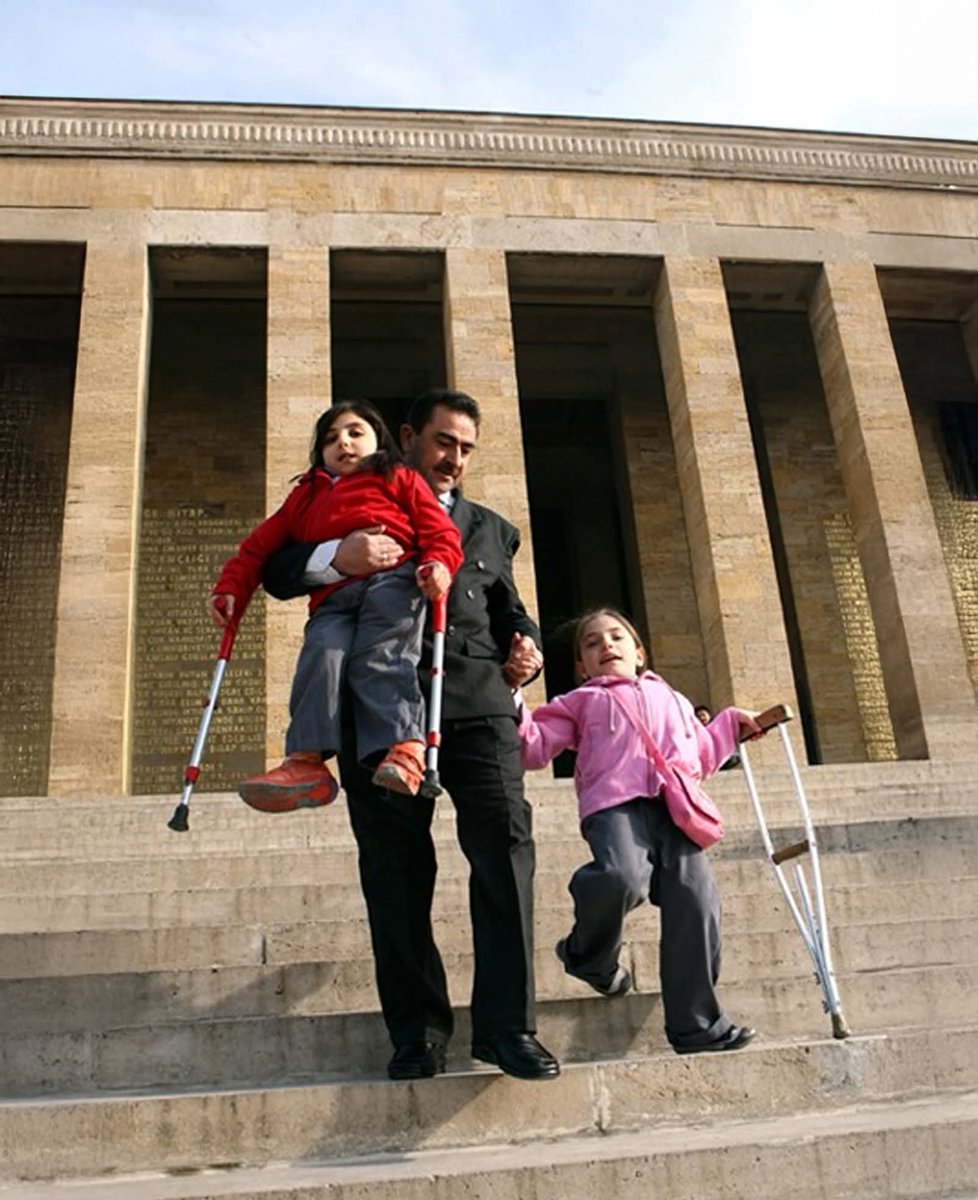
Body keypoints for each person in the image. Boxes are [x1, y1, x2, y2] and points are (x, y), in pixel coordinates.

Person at [262, 387, 559, 1082]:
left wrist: (529, 644)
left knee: (504, 854)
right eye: (443, 443)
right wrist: (340, 557)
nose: (454, 459)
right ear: (408, 438)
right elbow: (277, 569)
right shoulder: (351, 498)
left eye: (465, 449)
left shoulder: (488, 526)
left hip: (475, 704)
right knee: (393, 871)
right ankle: (417, 1029)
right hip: (378, 713)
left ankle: (508, 1028)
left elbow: (507, 607)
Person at [516, 607, 762, 1054]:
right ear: (581, 666)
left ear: (639, 652)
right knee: (620, 877)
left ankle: (697, 1027)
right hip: (614, 808)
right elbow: (533, 748)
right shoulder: (581, 700)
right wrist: (513, 698)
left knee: (697, 902)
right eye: (592, 644)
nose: (606, 645)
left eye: (616, 637)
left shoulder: (673, 697)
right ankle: (588, 955)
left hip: (676, 810)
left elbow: (701, 754)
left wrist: (730, 723)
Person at [209, 400, 463, 808]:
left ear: (378, 440)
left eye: (354, 432)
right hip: (332, 597)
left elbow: (441, 532)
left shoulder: (398, 476)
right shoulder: (304, 496)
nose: (342, 442)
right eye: (331, 438)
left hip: (393, 582)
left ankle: (405, 746)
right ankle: (306, 760)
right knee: (320, 656)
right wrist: (230, 589)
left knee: (383, 656)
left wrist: (438, 564)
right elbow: (257, 549)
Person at [695, 703, 741, 771]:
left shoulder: (719, 725)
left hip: (730, 757)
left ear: (709, 714)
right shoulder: (699, 732)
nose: (702, 718)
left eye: (703, 715)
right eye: (698, 717)